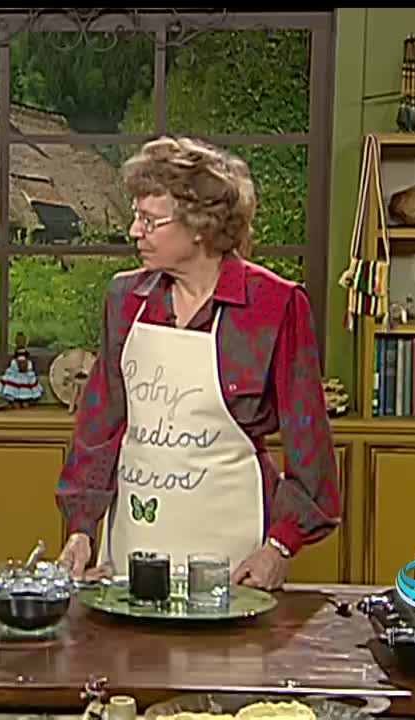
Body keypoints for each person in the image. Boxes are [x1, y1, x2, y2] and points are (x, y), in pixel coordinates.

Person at [54, 137, 341, 591]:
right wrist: (81, 530)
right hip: (131, 545)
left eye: (150, 220)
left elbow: (311, 447)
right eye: (136, 217)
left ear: (200, 226)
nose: (135, 231)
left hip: (234, 556)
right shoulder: (125, 299)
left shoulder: (274, 306)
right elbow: (100, 425)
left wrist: (279, 546)